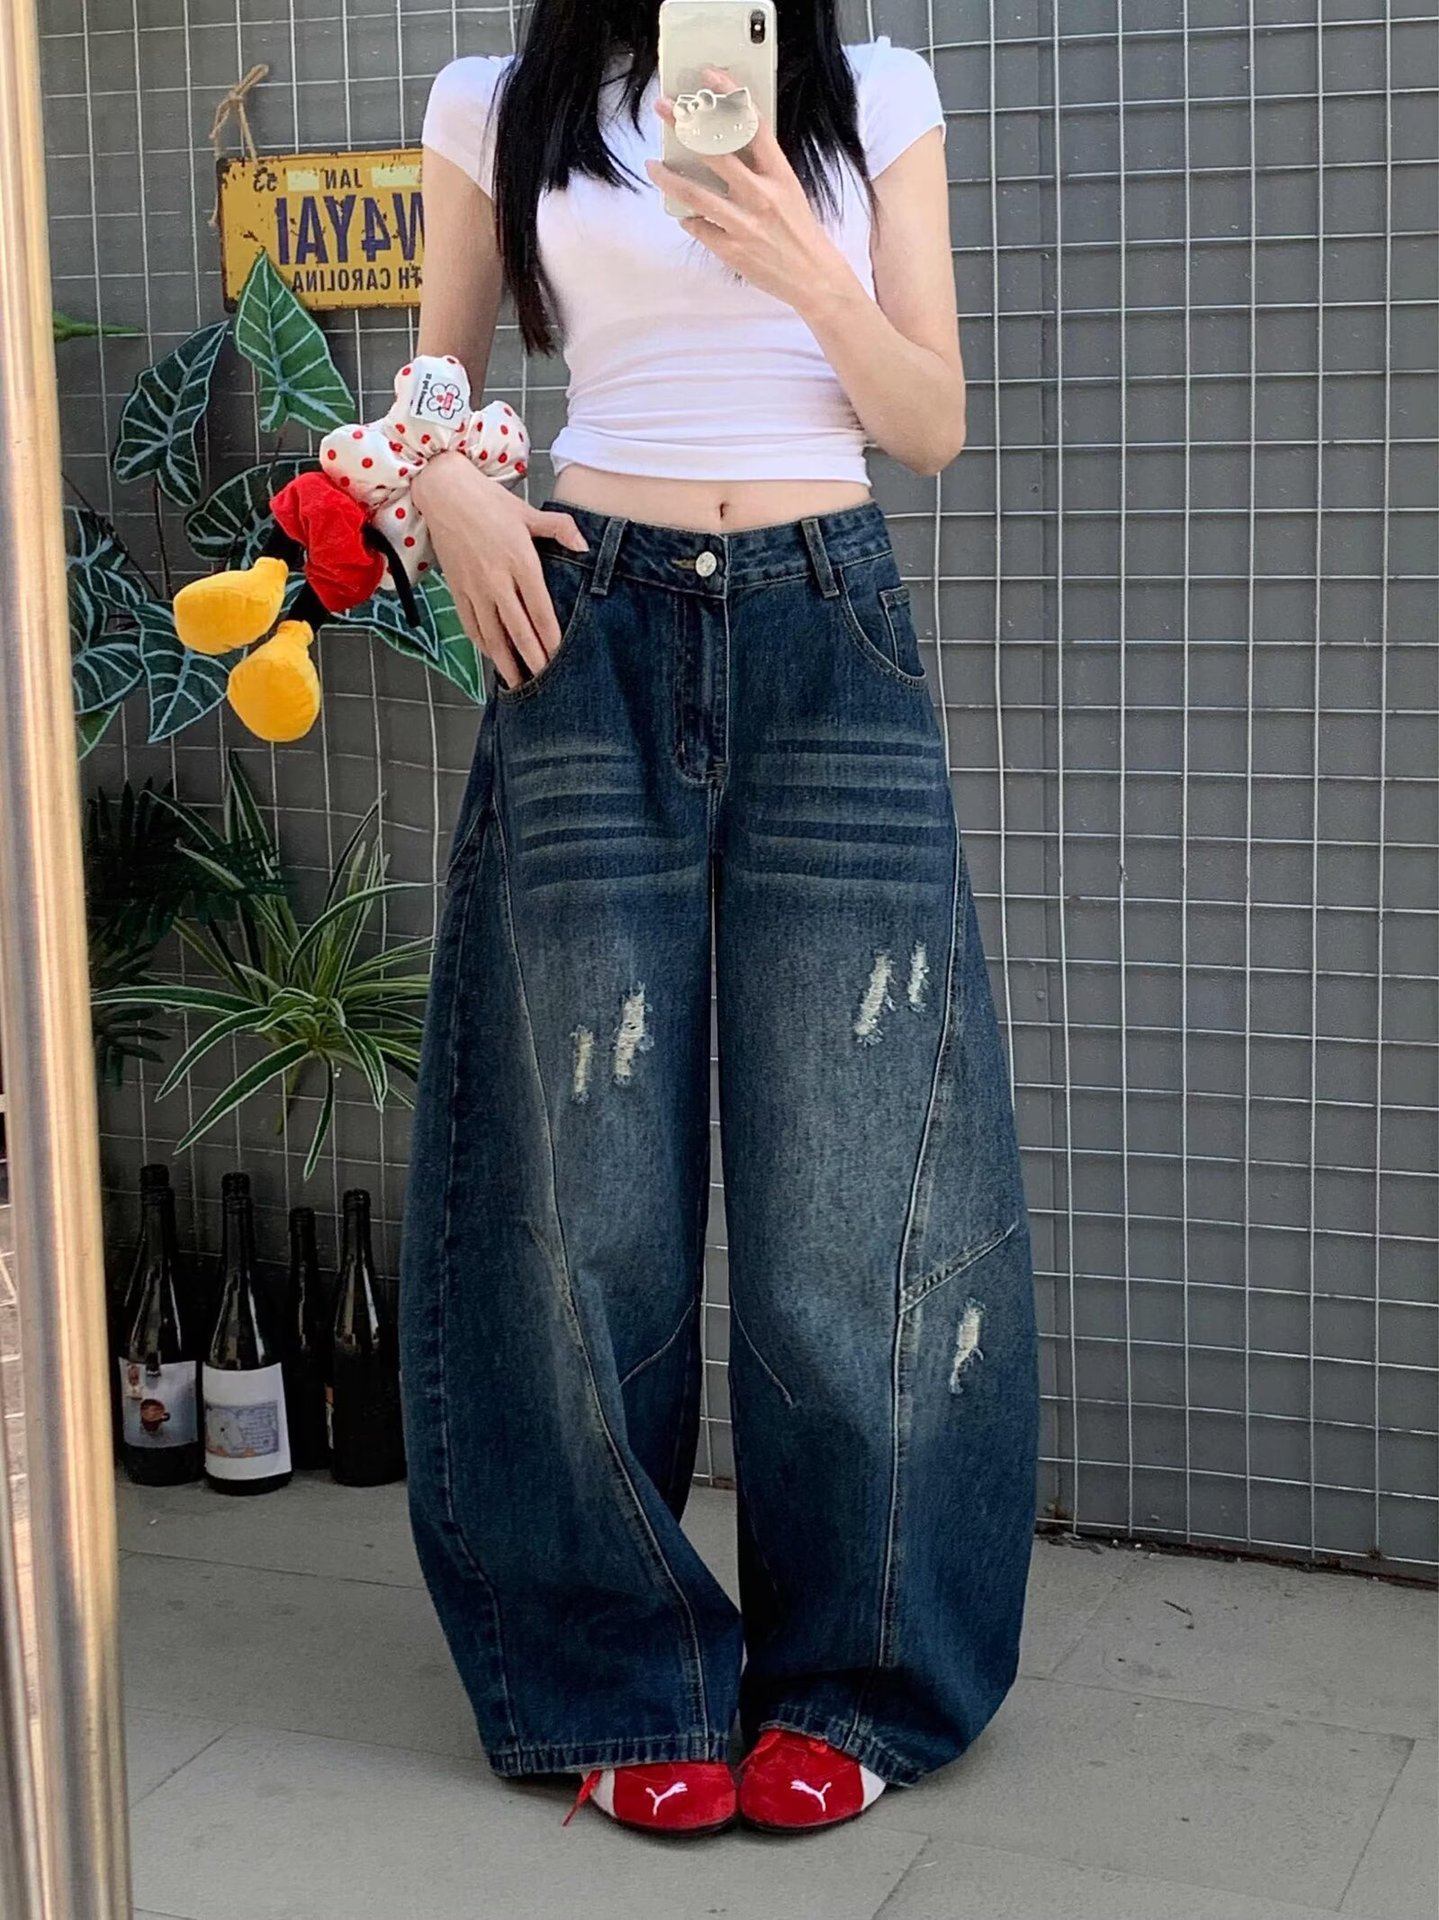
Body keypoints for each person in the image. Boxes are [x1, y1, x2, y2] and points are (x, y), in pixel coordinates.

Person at [397, 0, 1038, 1840]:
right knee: (577, 1188)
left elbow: (931, 423)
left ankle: (863, 1672)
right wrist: (448, 486)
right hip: (586, 618)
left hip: (826, 629)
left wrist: (800, 260)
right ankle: (609, 1669)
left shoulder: (879, 92)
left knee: (859, 1187)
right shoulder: (495, 101)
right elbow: (433, 376)